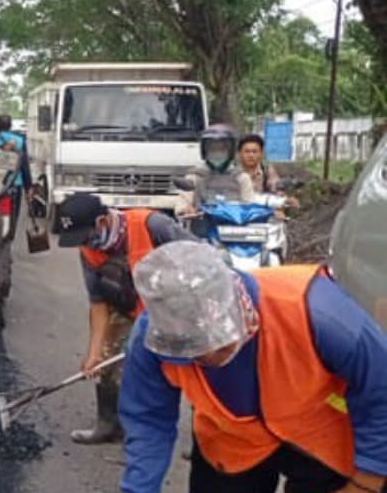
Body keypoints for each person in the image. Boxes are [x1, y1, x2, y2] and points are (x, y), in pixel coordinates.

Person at [120, 241, 387, 493]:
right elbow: (148, 421)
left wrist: (366, 483)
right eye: (194, 350)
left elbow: (380, 392)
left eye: (221, 341)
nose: (211, 354)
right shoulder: (150, 343)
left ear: (238, 302)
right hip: (231, 444)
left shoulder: (317, 312)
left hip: (322, 438)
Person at [54, 192, 197, 444]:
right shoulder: (88, 251)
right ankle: (109, 424)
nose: (84, 243)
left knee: (195, 368)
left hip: (177, 307)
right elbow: (98, 303)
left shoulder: (152, 225)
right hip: (130, 308)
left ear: (102, 222)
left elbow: (198, 258)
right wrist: (94, 353)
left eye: (84, 235)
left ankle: (202, 439)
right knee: (107, 359)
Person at [175, 124, 255, 219]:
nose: (217, 152)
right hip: (200, 228)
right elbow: (181, 205)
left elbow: (250, 206)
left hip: (233, 229)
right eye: (213, 149)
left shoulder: (241, 177)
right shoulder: (195, 176)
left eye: (221, 149)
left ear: (230, 151)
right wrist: (186, 209)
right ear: (205, 151)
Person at [0, 114, 32, 238]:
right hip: (15, 184)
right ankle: (9, 240)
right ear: (10, 126)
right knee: (13, 217)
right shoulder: (20, 141)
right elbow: (24, 166)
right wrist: (29, 187)